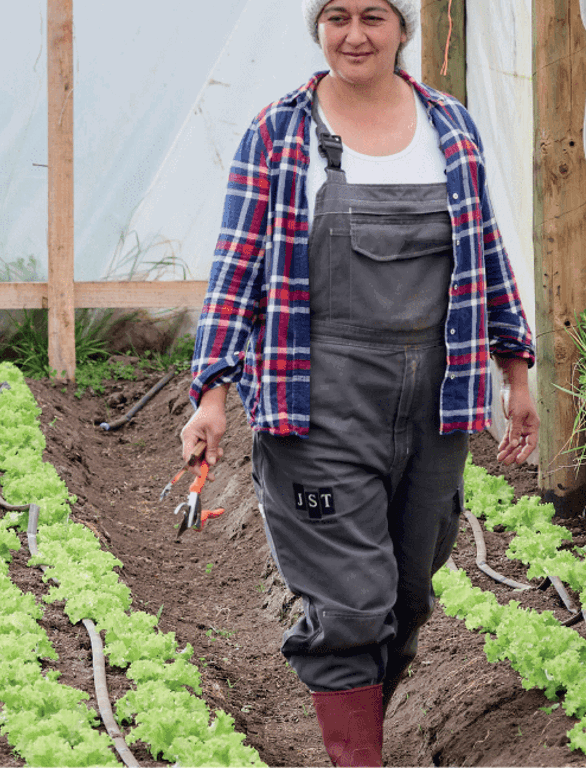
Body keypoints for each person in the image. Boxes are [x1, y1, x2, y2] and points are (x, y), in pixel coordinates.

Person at [180, 1, 538, 765]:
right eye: (335, 15)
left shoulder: (451, 128)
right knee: (352, 601)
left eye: (373, 15)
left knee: (407, 595)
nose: (354, 34)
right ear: (318, 28)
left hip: (436, 400)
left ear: (403, 29)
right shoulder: (278, 134)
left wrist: (516, 368)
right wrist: (211, 392)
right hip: (318, 398)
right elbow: (235, 271)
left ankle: (367, 717)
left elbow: (486, 256)